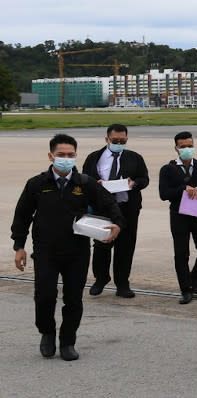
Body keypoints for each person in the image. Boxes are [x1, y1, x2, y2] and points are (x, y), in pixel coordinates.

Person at [12, 133, 124, 361]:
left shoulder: (84, 183)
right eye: (61, 155)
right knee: (44, 296)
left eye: (70, 155)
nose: (66, 158)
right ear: (51, 156)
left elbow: (109, 203)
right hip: (45, 251)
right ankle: (47, 333)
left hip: (77, 251)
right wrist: (19, 246)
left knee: (73, 298)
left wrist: (117, 223)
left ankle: (68, 341)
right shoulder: (37, 184)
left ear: (76, 156)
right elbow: (22, 216)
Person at [82, 123, 149, 298]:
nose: (119, 143)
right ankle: (101, 278)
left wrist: (134, 184)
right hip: (103, 209)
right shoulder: (94, 157)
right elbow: (85, 178)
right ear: (107, 139)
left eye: (122, 140)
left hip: (127, 208)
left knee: (125, 247)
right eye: (115, 140)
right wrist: (94, 184)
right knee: (101, 245)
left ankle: (122, 283)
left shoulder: (135, 157)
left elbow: (144, 179)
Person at [158, 131, 197, 304]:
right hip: (179, 216)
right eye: (183, 147)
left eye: (190, 146)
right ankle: (185, 289)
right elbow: (164, 194)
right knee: (181, 253)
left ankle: (195, 277)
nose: (187, 149)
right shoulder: (167, 169)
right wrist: (183, 189)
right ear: (176, 148)